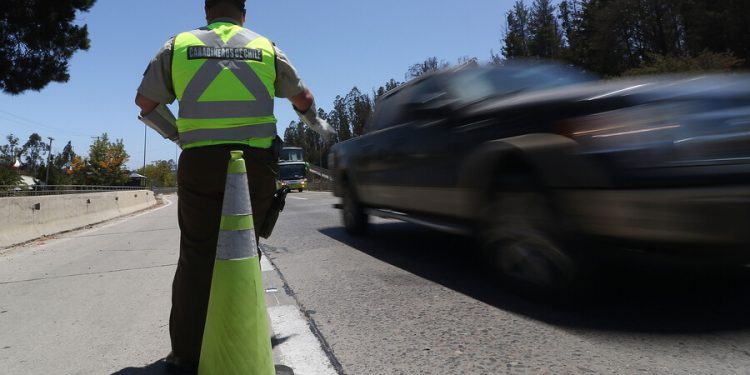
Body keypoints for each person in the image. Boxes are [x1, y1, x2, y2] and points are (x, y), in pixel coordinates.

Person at [134, 0, 334, 372]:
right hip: (254, 165)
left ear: (207, 11)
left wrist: (178, 134)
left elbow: (146, 102)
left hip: (200, 163)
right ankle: (245, 349)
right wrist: (315, 122)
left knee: (196, 255)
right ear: (244, 13)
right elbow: (303, 99)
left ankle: (187, 356)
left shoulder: (177, 45)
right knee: (244, 251)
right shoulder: (265, 47)